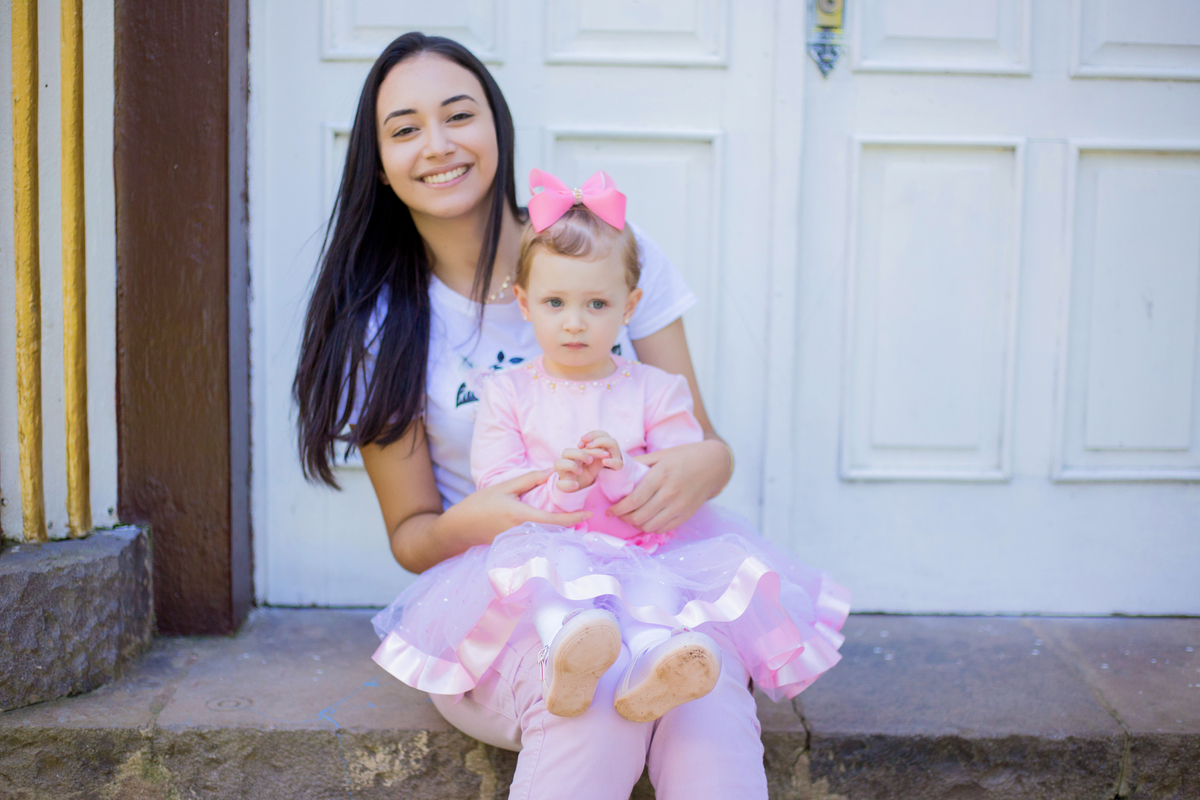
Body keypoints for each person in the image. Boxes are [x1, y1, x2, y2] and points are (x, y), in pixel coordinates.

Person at [290, 31, 807, 799]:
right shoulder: (381, 323)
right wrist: (494, 517)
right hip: (507, 597)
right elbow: (413, 536)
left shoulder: (601, 249)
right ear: (378, 162)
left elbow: (698, 440)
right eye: (404, 129)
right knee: (592, 702)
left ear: (497, 126)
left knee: (708, 691)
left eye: (459, 115)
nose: (437, 145)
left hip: (651, 571)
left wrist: (708, 462)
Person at [370, 169, 850, 731]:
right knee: (554, 572)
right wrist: (565, 480)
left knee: (657, 585)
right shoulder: (507, 392)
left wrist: (622, 468)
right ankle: (567, 655)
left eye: (597, 304)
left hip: (639, 542)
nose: (574, 323)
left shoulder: (656, 388)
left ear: (630, 305)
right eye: (555, 302)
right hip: (550, 537)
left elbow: (677, 467)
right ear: (524, 304)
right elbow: (499, 480)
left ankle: (657, 664)